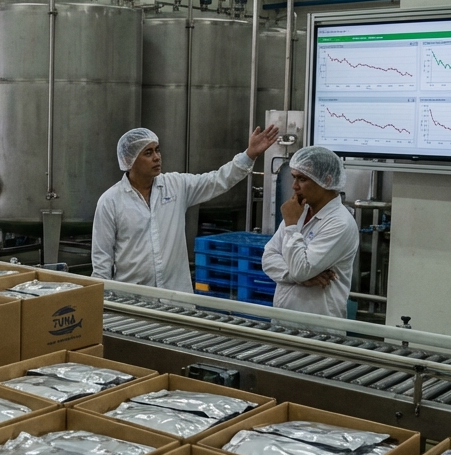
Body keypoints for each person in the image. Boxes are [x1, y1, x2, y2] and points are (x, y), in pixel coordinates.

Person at [92, 124, 279, 292]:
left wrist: (249, 155)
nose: (157, 157)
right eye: (148, 153)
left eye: (157, 150)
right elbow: (102, 261)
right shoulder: (111, 201)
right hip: (132, 302)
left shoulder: (176, 185)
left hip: (175, 299)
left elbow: (217, 180)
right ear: (128, 160)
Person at [261, 146, 358, 319]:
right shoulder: (299, 211)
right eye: (294, 177)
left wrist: (291, 226)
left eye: (302, 179)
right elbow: (268, 257)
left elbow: (302, 269)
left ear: (326, 181)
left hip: (319, 325)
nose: (294, 186)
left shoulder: (339, 223)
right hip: (284, 320)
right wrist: (297, 277)